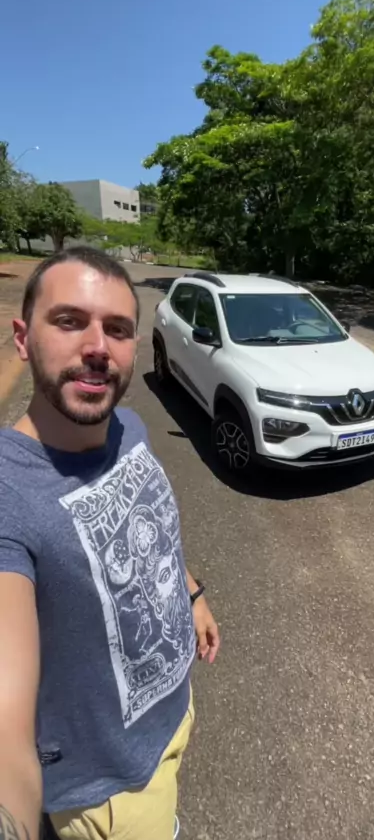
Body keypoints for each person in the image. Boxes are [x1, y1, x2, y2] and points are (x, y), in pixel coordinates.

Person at [0, 246, 220, 840]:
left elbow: (151, 526)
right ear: (23, 339)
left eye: (117, 329)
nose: (97, 346)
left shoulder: (128, 428)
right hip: (113, 796)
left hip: (170, 718)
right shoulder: (8, 493)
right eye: (69, 321)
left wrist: (192, 593)